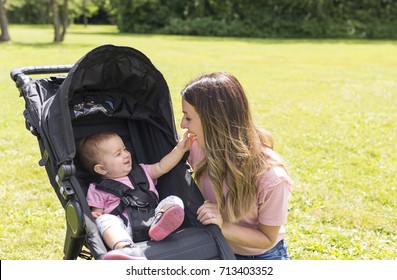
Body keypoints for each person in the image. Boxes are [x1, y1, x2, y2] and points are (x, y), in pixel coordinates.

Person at [180, 72, 293, 260]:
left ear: (214, 120)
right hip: (216, 246)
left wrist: (222, 225)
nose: (183, 125)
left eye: (188, 118)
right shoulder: (198, 147)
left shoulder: (271, 177)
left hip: (261, 256)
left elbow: (267, 238)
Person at [78, 131, 194, 260]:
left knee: (174, 200)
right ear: (101, 169)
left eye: (125, 149)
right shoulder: (97, 188)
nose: (126, 154)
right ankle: (125, 249)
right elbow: (97, 212)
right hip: (124, 228)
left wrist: (179, 149)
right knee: (104, 220)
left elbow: (162, 166)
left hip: (154, 216)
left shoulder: (143, 171)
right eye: (118, 154)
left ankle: (161, 227)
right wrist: (94, 215)